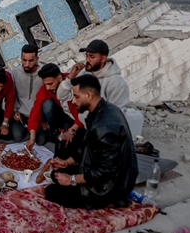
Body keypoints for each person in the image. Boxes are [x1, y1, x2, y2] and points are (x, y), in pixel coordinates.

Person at [45, 75, 138, 210]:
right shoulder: (103, 109)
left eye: (76, 97)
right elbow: (88, 147)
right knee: (56, 173)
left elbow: (105, 172)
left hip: (110, 185)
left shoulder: (104, 127)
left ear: (88, 95)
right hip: (99, 169)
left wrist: (71, 180)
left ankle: (112, 200)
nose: (73, 101)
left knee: (52, 192)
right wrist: (67, 162)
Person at [24, 63, 84, 153]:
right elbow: (35, 113)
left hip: (75, 119)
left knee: (72, 148)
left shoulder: (73, 84)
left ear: (60, 78)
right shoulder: (45, 89)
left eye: (50, 84)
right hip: (60, 118)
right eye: (45, 84)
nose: (47, 88)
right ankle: (56, 131)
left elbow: (82, 114)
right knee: (46, 105)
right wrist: (32, 138)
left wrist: (71, 131)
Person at [58, 39, 130, 111]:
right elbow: (62, 96)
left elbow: (116, 114)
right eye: (86, 56)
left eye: (92, 57)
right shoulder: (84, 73)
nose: (87, 60)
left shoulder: (116, 82)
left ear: (103, 59)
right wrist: (71, 77)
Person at [9, 44, 43, 142]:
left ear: (37, 59)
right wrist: (14, 111)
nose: (27, 64)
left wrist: (42, 117)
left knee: (41, 141)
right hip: (21, 115)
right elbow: (9, 96)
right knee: (17, 136)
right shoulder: (14, 73)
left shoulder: (44, 71)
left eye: (31, 61)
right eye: (24, 60)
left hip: (38, 115)